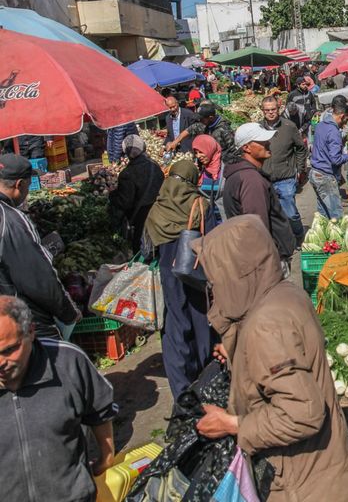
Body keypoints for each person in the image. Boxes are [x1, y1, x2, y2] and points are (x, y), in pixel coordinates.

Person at [193, 216, 348, 502]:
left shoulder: (265, 325)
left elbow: (302, 413)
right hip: (325, 472)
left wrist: (232, 424)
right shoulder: (285, 293)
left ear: (236, 273)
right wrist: (242, 356)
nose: (213, 287)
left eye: (215, 279)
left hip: (304, 487)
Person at [0, 295, 118, 501]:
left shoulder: (68, 362)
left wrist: (106, 457)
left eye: (8, 350)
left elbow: (100, 410)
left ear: (31, 332)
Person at [144, 160, 213, 399]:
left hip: (168, 279)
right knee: (200, 322)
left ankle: (181, 389)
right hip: (196, 275)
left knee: (175, 327)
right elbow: (212, 239)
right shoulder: (200, 204)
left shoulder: (157, 208)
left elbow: (146, 249)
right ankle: (205, 376)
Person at [0, 154, 79, 338]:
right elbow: (38, 277)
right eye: (28, 184)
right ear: (19, 184)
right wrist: (68, 312)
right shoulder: (12, 220)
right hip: (19, 320)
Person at [223, 123, 296, 265]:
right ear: (246, 148)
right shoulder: (251, 180)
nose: (268, 143)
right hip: (266, 258)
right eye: (262, 141)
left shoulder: (243, 174)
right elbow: (257, 225)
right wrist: (267, 261)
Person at [260, 96, 307, 243]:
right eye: (267, 110)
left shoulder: (289, 127)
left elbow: (301, 148)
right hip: (265, 178)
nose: (271, 113)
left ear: (278, 109)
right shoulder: (257, 129)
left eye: (273, 109)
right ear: (262, 111)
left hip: (285, 178)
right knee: (270, 214)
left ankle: (299, 237)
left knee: (290, 213)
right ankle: (281, 242)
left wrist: (300, 168)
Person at [108, 134, 164, 251]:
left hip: (141, 221)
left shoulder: (127, 174)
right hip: (159, 214)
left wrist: (112, 195)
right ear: (143, 148)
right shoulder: (155, 166)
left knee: (141, 252)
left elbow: (125, 202)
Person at [310, 101, 348, 219]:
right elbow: (336, 160)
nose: (345, 124)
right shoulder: (334, 132)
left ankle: (325, 236)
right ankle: (337, 236)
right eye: (346, 120)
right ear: (342, 116)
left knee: (323, 213)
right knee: (336, 215)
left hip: (315, 173)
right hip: (325, 176)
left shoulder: (320, 125)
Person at [168, 102, 236, 159]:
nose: (199, 120)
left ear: (210, 118)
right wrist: (175, 142)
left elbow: (233, 151)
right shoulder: (204, 124)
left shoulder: (224, 130)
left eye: (201, 119)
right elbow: (189, 130)